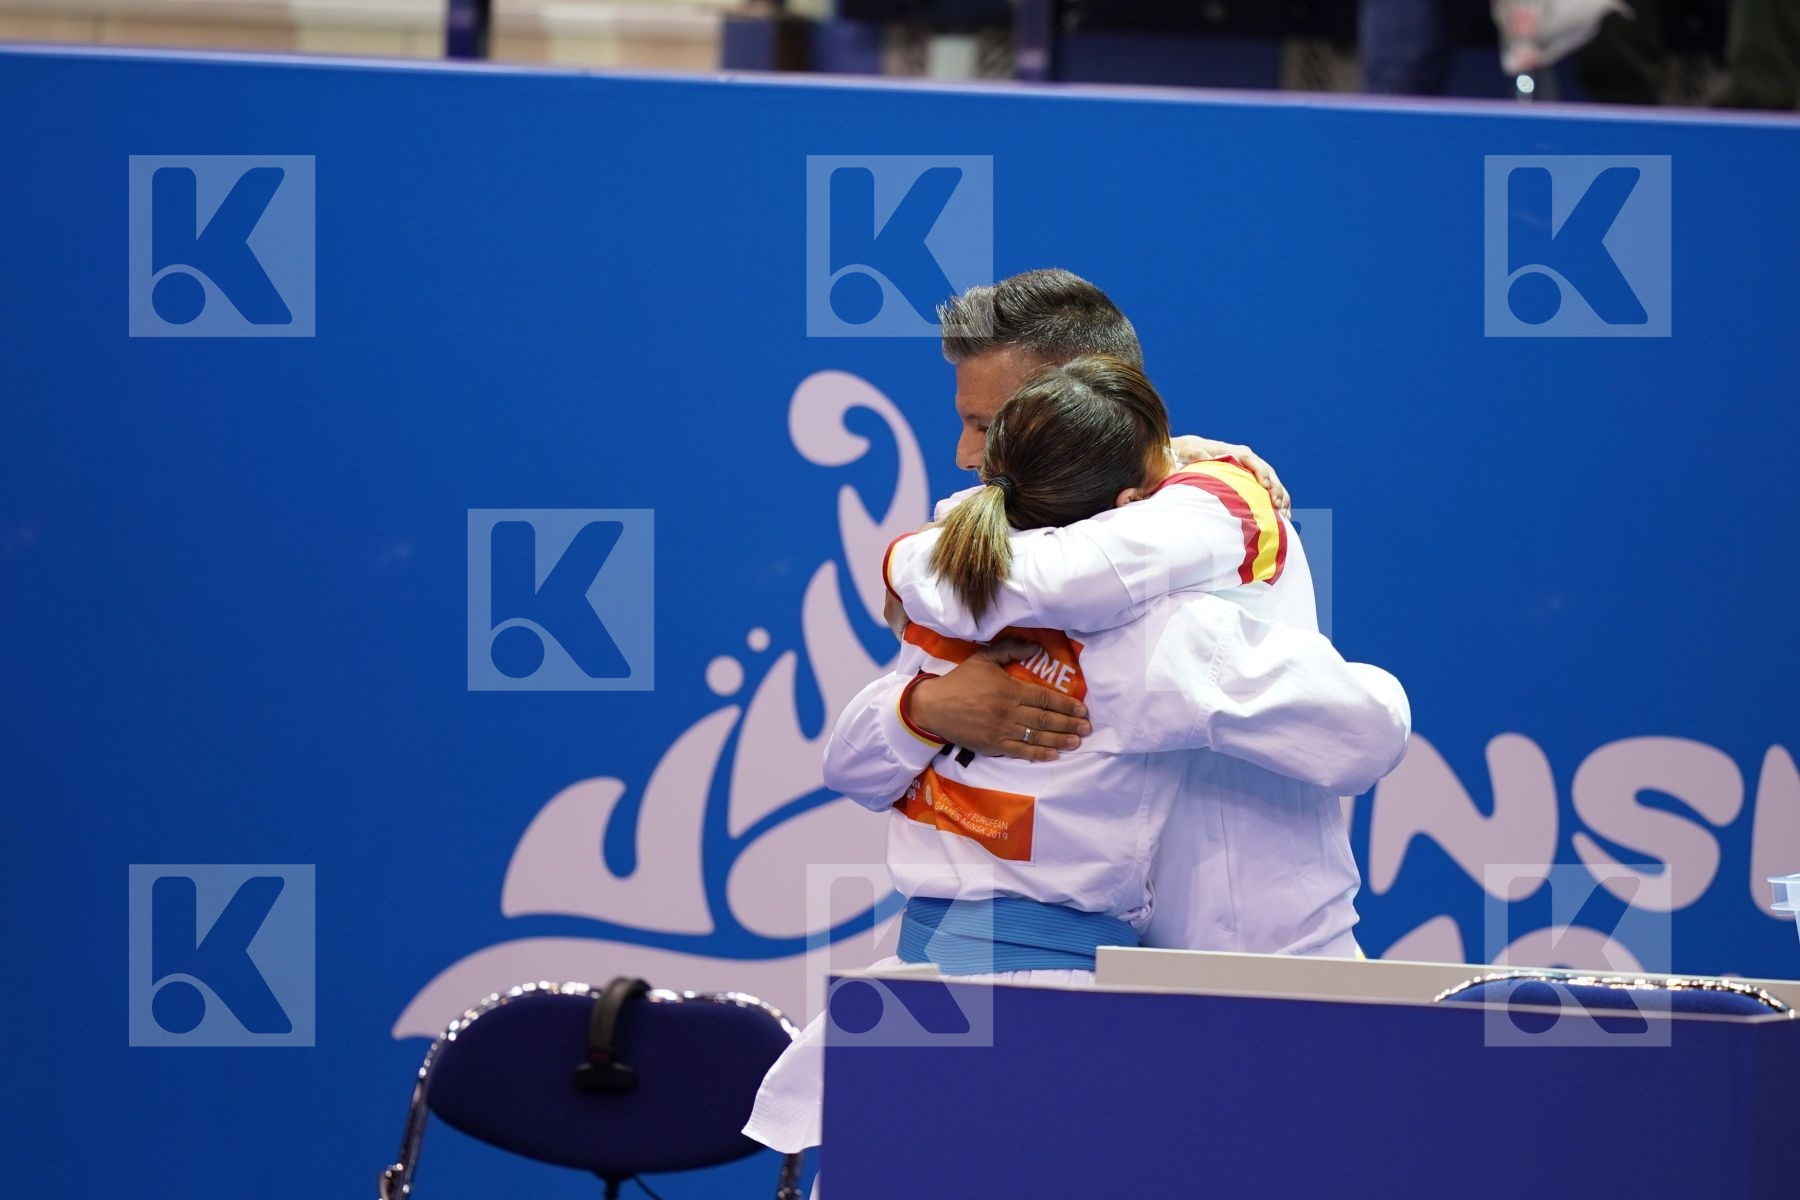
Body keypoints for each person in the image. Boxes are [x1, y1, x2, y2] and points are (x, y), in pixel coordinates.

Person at [743, 355, 1412, 1171]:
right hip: (1054, 1018)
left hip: (918, 1004)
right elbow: (1372, 733)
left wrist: (910, 592)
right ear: (1132, 500)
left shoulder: (953, 606)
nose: (963, 451)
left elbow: (851, 767)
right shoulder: (1167, 639)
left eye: (982, 429)